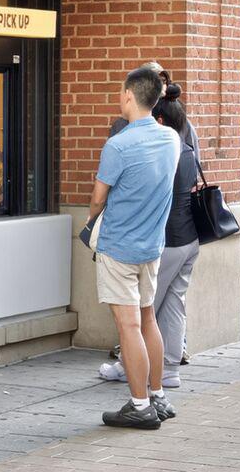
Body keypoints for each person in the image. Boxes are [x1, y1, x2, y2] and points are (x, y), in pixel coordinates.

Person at [83, 63, 180, 429]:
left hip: (119, 247)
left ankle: (139, 406)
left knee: (128, 327)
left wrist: (92, 219)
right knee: (147, 318)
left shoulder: (118, 145)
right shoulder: (170, 139)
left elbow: (97, 199)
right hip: (152, 246)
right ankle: (158, 395)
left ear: (128, 95)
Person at [101, 77, 199, 401]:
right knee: (167, 309)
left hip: (150, 240)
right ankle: (163, 381)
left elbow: (101, 196)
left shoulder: (128, 143)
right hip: (184, 239)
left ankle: (139, 397)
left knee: (139, 321)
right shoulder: (180, 143)